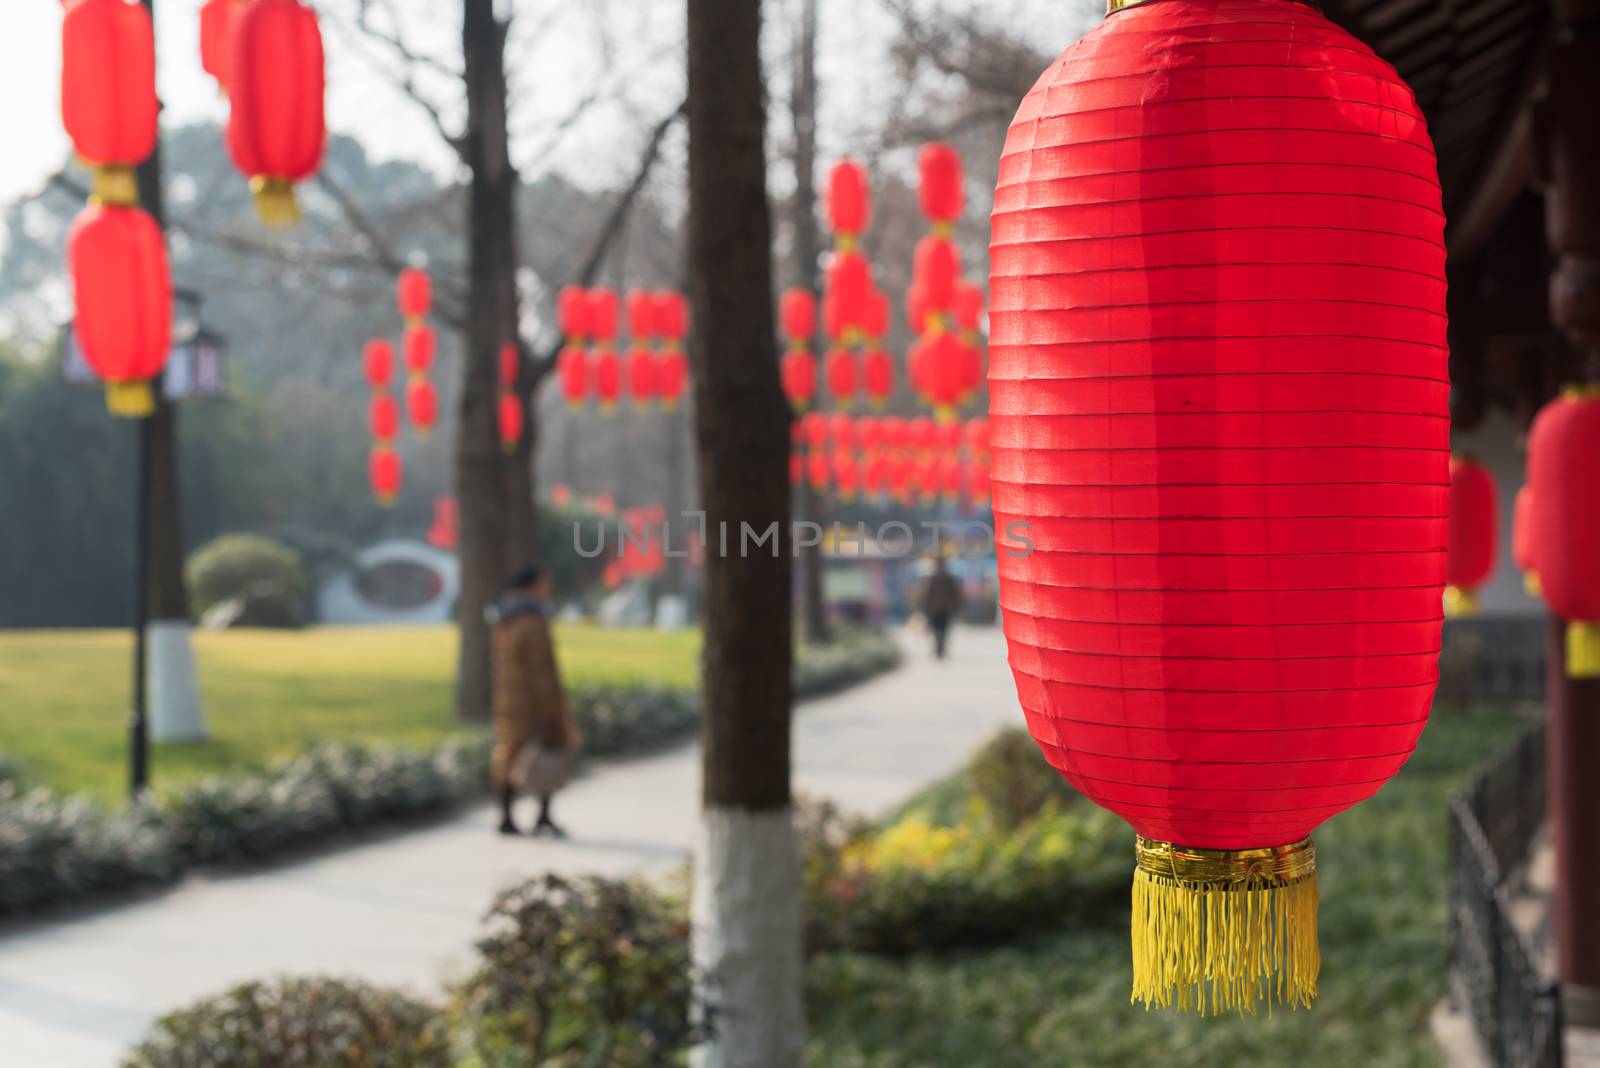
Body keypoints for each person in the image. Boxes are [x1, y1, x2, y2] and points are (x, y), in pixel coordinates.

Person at [487, 563, 581, 838]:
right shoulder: (532, 622)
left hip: (508, 700)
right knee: (546, 751)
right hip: (533, 703)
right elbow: (541, 670)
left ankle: (508, 816)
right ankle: (541, 815)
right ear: (532, 586)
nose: (548, 589)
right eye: (544, 583)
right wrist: (551, 710)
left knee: (509, 755)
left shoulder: (504, 619)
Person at [919, 555, 964, 660]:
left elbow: (928, 594)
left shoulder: (933, 578)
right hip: (946, 608)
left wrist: (926, 607)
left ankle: (939, 649)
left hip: (935, 608)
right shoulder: (949, 578)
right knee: (944, 629)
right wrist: (956, 606)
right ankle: (941, 649)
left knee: (936, 629)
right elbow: (955, 594)